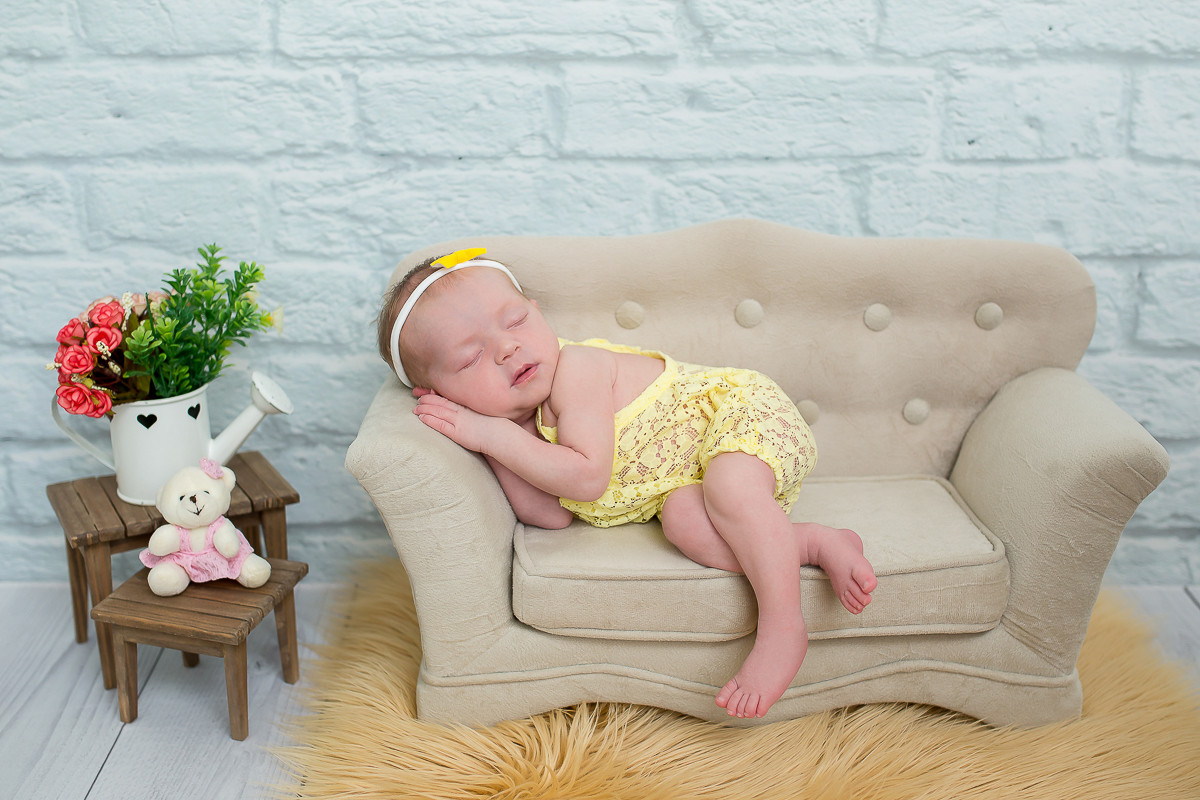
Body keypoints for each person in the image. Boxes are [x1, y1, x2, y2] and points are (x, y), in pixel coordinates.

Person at [376, 248, 877, 719]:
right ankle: (812, 542)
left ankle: (783, 626)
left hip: (742, 417)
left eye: (516, 321)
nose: (508, 347)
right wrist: (493, 439)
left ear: (538, 311)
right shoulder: (518, 432)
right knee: (684, 521)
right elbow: (551, 513)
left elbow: (587, 477)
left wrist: (489, 433)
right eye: (470, 359)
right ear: (441, 392)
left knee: (730, 489)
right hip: (690, 479)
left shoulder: (578, 369)